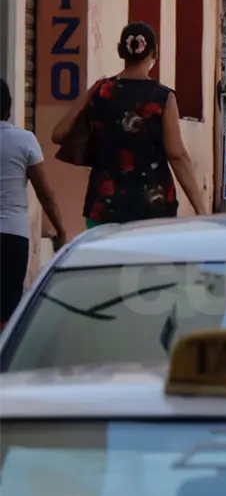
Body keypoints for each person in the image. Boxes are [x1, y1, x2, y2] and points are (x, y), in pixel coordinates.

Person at [51, 22, 205, 228]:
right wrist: (201, 209)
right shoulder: (162, 97)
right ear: (154, 54)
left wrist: (93, 102)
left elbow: (59, 134)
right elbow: (176, 154)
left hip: (104, 204)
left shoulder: (101, 91)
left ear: (120, 51)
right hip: (152, 206)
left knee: (107, 260)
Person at [0, 78, 68, 330]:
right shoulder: (24, 140)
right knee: (8, 308)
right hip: (13, 236)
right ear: (8, 108)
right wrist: (61, 231)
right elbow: (45, 192)